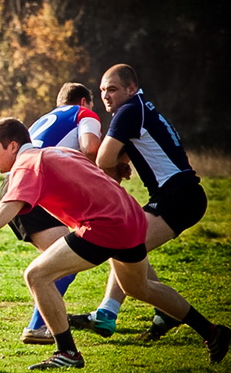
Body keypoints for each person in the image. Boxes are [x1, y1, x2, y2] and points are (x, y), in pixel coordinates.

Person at [0, 118, 228, 370]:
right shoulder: (58, 151)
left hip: (104, 226)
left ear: (12, 146)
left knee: (37, 275)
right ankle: (212, 331)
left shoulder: (27, 162)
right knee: (138, 288)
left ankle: (66, 352)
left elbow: (13, 202)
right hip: (131, 217)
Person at [67, 64, 208, 341]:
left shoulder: (130, 110)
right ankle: (159, 311)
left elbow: (104, 159)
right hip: (178, 194)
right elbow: (131, 153)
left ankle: (108, 314)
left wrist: (111, 168)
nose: (106, 95)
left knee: (120, 241)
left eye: (113, 89)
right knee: (127, 248)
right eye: (102, 91)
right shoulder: (140, 108)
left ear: (131, 88)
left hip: (179, 196)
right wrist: (120, 165)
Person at [9, 83, 102, 345]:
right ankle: (37, 327)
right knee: (64, 265)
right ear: (84, 102)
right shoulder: (82, 114)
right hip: (35, 191)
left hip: (19, 188)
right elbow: (91, 147)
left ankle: (42, 325)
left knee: (59, 263)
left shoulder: (43, 120)